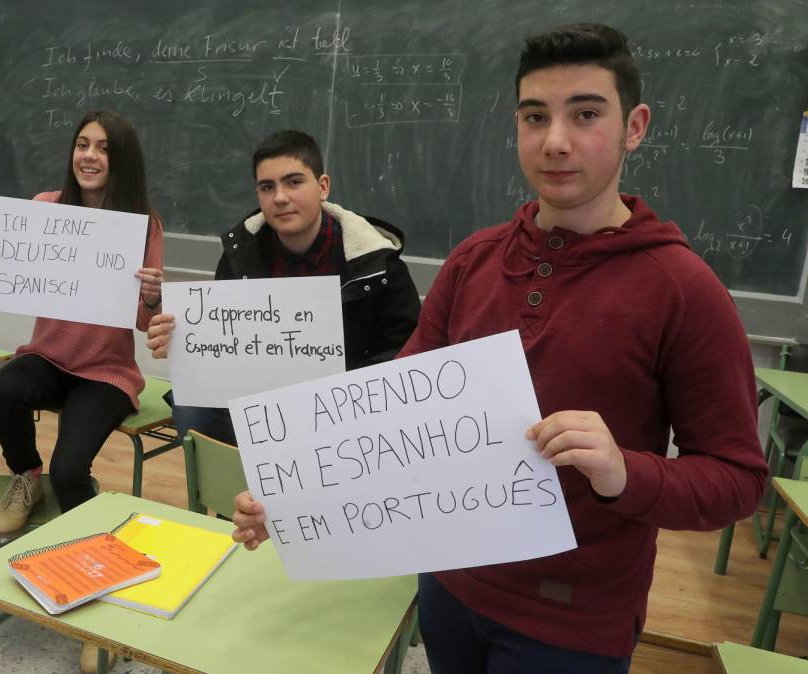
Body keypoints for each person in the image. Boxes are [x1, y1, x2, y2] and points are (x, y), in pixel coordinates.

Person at [231, 23, 767, 674]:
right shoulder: (473, 262)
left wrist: (623, 471)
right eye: (535, 116)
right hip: (449, 585)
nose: (557, 140)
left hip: (570, 621)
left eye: (586, 113)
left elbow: (737, 481)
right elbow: (391, 421)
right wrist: (295, 497)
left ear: (635, 127)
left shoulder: (683, 290)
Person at [0, 109, 162, 673]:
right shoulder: (44, 207)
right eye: (82, 144)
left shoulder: (140, 223)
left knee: (71, 470)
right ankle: (24, 479)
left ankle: (97, 592)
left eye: (103, 148)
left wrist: (151, 296)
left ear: (120, 161)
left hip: (104, 369)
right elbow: (8, 272)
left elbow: (141, 320)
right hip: (48, 357)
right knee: (3, 387)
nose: (90, 156)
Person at [145, 130, 421, 443]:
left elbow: (408, 348)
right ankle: (224, 490)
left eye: (294, 182)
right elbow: (223, 342)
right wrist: (181, 341)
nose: (280, 197)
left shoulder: (375, 263)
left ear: (323, 187)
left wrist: (344, 390)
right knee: (190, 403)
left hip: (344, 411)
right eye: (267, 187)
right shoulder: (240, 255)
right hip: (258, 401)